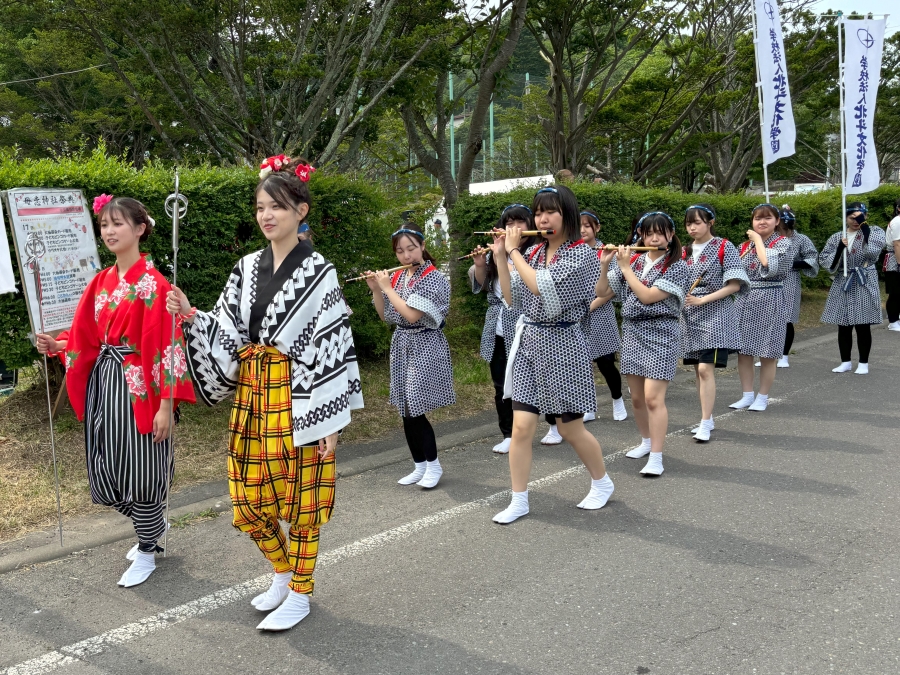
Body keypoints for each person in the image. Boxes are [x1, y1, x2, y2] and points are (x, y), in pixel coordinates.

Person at [167, 156, 363, 631]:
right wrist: (191, 313)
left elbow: (332, 346)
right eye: (260, 207)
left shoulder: (320, 271)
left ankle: (301, 591)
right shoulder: (245, 267)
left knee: (303, 498)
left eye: (276, 206)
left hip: (302, 395)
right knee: (249, 496)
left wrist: (331, 420)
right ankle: (282, 572)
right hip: (254, 392)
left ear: (301, 210)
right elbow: (227, 328)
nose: (267, 215)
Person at [36, 194, 195, 588]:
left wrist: (166, 405)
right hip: (104, 382)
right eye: (104, 224)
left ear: (140, 229)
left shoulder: (155, 285)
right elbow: (85, 336)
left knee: (141, 468)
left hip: (140, 386)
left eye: (117, 223)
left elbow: (168, 347)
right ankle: (152, 523)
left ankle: (147, 548)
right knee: (105, 469)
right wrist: (58, 345)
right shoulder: (101, 281)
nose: (109, 231)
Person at [490, 185, 613, 524]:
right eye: (538, 212)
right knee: (521, 427)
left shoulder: (581, 254)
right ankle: (519, 499)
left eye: (550, 212)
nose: (542, 219)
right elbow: (513, 298)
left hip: (564, 345)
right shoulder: (532, 253)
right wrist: (501, 256)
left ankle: (602, 482)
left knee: (570, 428)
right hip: (529, 342)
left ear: (567, 215)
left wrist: (513, 252)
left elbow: (541, 287)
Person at [597, 212, 689, 475]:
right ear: (641, 235)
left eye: (660, 232)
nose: (654, 238)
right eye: (649, 233)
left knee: (652, 398)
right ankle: (646, 442)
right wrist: (605, 265)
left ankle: (657, 456)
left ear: (671, 235)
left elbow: (648, 296)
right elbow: (602, 292)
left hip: (663, 333)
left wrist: (625, 268)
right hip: (633, 332)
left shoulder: (678, 266)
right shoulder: (635, 261)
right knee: (637, 398)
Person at [366, 222, 455, 487]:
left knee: (415, 407)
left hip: (425, 344)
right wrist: (376, 289)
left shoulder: (434, 277)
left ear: (423, 246)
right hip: (402, 342)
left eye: (411, 248)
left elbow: (412, 315)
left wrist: (387, 288)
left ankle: (434, 465)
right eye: (400, 251)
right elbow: (386, 316)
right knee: (404, 408)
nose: (406, 256)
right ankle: (419, 465)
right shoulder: (398, 277)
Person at [543, 209, 626, 445]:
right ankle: (588, 407)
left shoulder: (606, 250)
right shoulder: (568, 250)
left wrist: (589, 306)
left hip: (600, 313)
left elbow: (611, 287)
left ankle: (617, 399)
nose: (582, 230)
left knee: (606, 362)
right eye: (578, 225)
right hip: (575, 317)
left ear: (597, 228)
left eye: (587, 225)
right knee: (581, 364)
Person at [470, 204, 537, 454]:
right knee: (500, 384)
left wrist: (508, 252)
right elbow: (483, 285)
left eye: (520, 223)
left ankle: (553, 424)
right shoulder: (496, 252)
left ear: (530, 226)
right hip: (496, 324)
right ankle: (508, 433)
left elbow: (528, 282)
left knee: (529, 381)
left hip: (525, 325)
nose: (514, 228)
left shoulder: (535, 253)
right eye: (509, 224)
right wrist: (480, 264)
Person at [680, 204, 748, 442]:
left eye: (697, 222)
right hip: (689, 316)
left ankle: (705, 421)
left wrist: (702, 299)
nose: (692, 227)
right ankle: (705, 418)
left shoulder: (724, 246)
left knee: (704, 369)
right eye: (688, 223)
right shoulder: (684, 251)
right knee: (698, 371)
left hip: (716, 315)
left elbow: (735, 285)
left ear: (710, 222)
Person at [730, 204, 792, 411]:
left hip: (771, 298)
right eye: (757, 218)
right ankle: (747, 395)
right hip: (744, 300)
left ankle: (763, 396)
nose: (762, 222)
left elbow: (768, 265)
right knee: (743, 351)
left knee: (768, 352)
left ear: (777, 221)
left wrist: (757, 240)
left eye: (767, 218)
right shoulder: (742, 247)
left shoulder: (783, 243)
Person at [819, 202, 885, 374]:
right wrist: (839, 249)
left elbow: (873, 253)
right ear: (845, 218)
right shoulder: (837, 236)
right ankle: (845, 361)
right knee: (844, 323)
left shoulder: (875, 232)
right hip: (844, 279)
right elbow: (825, 260)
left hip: (864, 278)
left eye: (860, 217)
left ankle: (863, 363)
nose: (856, 221)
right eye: (852, 217)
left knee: (863, 323)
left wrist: (865, 229)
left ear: (866, 216)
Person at [777, 205, 819, 367]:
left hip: (790, 280)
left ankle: (784, 356)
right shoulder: (769, 239)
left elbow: (812, 258)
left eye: (783, 227)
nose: (780, 230)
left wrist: (792, 264)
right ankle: (767, 355)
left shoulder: (801, 239)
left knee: (786, 318)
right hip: (770, 280)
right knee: (769, 318)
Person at [884, 199, 900, 332]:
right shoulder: (898, 221)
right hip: (894, 260)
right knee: (895, 292)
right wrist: (899, 263)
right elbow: (897, 244)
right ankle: (893, 322)